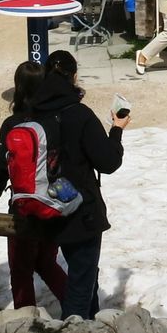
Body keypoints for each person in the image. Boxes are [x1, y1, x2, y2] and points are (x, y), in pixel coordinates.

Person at [0, 62, 69, 309]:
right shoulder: (56, 119)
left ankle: (25, 321)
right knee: (47, 262)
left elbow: (1, 169)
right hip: (54, 203)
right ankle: (79, 307)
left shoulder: (13, 125)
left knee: (21, 269)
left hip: (25, 206)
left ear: (18, 88)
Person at [34, 50, 126, 319]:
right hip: (80, 211)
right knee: (81, 281)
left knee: (84, 275)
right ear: (74, 77)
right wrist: (117, 129)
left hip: (47, 207)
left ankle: (91, 331)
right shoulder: (79, 114)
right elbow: (108, 162)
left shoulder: (34, 112)